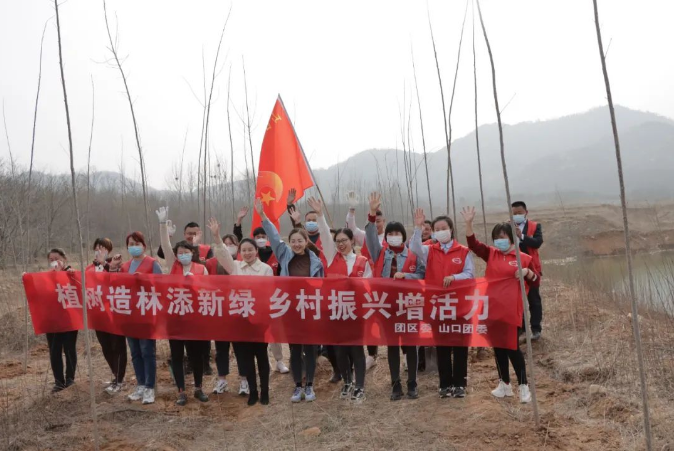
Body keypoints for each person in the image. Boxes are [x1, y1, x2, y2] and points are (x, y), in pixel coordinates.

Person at [462, 206, 538, 404]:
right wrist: (469, 223)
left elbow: (536, 280)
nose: (499, 241)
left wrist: (527, 273)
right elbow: (473, 245)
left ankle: (523, 386)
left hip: (512, 311)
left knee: (512, 347)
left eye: (502, 237)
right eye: (496, 238)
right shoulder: (492, 254)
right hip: (492, 309)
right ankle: (504, 384)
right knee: (498, 348)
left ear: (511, 238)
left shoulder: (523, 258)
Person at [256, 198, 325, 403]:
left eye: (299, 241)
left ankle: (310, 384)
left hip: (309, 309)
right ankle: (297, 386)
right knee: (295, 348)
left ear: (306, 242)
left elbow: (322, 287)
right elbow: (274, 237)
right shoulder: (284, 254)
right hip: (291, 310)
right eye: (293, 241)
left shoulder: (316, 261)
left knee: (310, 348)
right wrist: (263, 216)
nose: (296, 244)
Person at [308, 197, 370, 402]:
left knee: (356, 350)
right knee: (340, 350)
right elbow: (325, 234)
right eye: (338, 241)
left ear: (352, 241)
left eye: (344, 240)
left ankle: (360, 386)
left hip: (356, 313)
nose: (341, 244)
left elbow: (369, 287)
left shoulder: (362, 261)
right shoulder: (331, 257)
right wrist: (319, 215)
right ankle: (347, 382)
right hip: (335, 311)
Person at [365, 192, 426, 401]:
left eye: (397, 233)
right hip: (387, 306)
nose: (393, 236)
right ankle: (395, 384)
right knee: (392, 345)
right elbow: (370, 236)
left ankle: (412, 384)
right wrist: (372, 213)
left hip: (409, 306)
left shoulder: (413, 255)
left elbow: (422, 275)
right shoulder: (380, 253)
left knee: (411, 345)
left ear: (403, 236)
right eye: (390, 233)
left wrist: (406, 275)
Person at [409, 209, 474, 398]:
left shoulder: (463, 251)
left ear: (451, 230)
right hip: (438, 306)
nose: (440, 232)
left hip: (459, 305)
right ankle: (445, 384)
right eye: (436, 229)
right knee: (442, 345)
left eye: (443, 228)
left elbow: (470, 274)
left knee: (460, 345)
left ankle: (460, 384)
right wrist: (417, 227)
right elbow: (414, 248)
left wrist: (454, 277)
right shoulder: (430, 250)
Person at [209, 218, 274, 406]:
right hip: (239, 320)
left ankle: (265, 391)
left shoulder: (266, 269)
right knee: (246, 358)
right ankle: (253, 391)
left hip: (259, 321)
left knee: (261, 357)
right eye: (244, 250)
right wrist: (216, 237)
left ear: (256, 251)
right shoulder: (235, 267)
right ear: (240, 252)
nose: (247, 253)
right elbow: (222, 254)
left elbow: (268, 294)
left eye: (250, 250)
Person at [157, 206, 210, 406]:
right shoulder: (173, 265)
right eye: (180, 252)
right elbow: (165, 245)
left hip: (195, 320)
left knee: (196, 356)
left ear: (192, 252)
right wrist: (162, 224)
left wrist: (195, 283)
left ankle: (198, 388)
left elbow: (208, 292)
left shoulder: (201, 269)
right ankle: (181, 391)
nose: (183, 255)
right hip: (175, 319)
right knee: (177, 356)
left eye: (186, 252)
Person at [233, 206, 289, 374]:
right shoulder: (249, 255)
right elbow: (239, 242)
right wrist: (238, 222)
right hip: (251, 301)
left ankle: (279, 360)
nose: (260, 239)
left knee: (274, 331)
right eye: (257, 237)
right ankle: (263, 362)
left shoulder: (275, 253)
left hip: (272, 298)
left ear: (267, 238)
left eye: (263, 237)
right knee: (256, 334)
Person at [109, 231, 162, 405]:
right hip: (129, 315)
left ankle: (149, 387)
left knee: (147, 351)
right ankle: (140, 384)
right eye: (130, 244)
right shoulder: (125, 266)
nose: (133, 246)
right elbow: (115, 286)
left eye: (137, 243)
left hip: (146, 315)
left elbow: (162, 285)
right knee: (135, 352)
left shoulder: (152, 263)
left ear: (144, 246)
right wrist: (113, 269)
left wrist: (145, 281)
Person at [204, 230, 251, 397]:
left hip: (238, 310)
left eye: (232, 244)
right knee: (221, 348)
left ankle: (244, 380)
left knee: (241, 348)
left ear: (238, 246)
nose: (229, 247)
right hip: (219, 311)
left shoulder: (241, 263)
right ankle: (222, 379)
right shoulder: (211, 263)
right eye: (226, 244)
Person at [345, 194, 386, 370]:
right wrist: (352, 209)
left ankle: (405, 354)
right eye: (374, 221)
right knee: (368, 319)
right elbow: (351, 228)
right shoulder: (364, 237)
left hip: (385, 285)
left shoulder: (390, 237)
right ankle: (371, 354)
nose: (376, 224)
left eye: (379, 221)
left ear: (383, 222)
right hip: (366, 285)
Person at [86, 238, 127, 395]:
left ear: (108, 250)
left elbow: (119, 283)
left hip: (115, 313)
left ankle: (120, 379)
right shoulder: (89, 268)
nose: (99, 250)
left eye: (103, 248)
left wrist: (108, 266)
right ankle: (115, 374)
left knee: (118, 346)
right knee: (106, 347)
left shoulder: (114, 265)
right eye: (97, 247)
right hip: (98, 315)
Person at [45, 248, 78, 393]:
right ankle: (58, 381)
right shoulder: (46, 277)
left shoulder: (71, 273)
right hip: (52, 320)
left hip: (69, 319)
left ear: (64, 259)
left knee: (69, 348)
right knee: (54, 350)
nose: (54, 262)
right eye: (51, 260)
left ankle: (70, 378)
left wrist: (62, 274)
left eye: (57, 259)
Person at [512, 201, 544, 341]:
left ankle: (536, 329)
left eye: (519, 213)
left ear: (526, 212)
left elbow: (537, 242)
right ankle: (522, 329)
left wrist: (522, 236)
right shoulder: (507, 226)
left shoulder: (535, 226)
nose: (517, 215)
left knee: (534, 300)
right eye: (514, 213)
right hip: (514, 270)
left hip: (531, 269)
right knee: (517, 301)